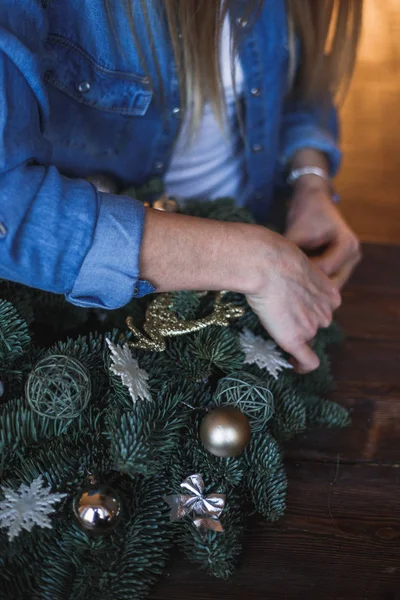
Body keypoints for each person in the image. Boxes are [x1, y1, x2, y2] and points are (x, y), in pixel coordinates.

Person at [0, 0, 362, 374]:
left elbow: (299, 83)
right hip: (76, 313)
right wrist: (253, 259)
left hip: (267, 255)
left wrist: (310, 182)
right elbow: (7, 204)